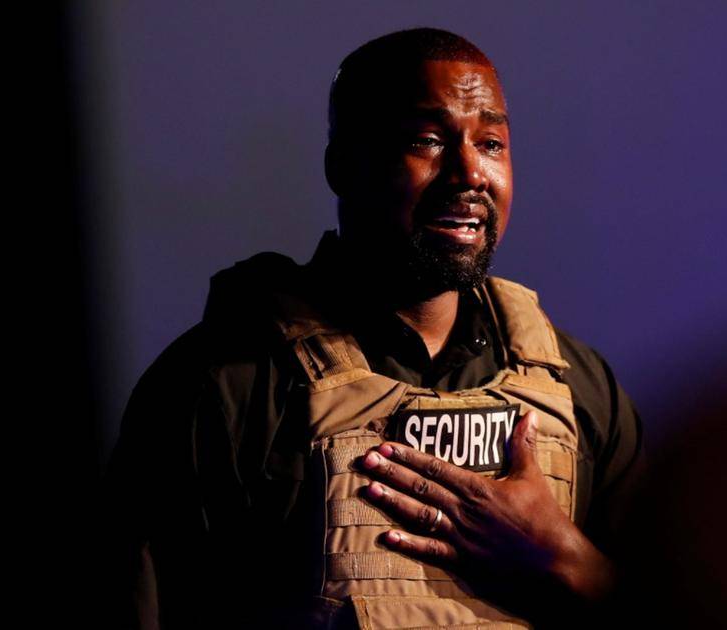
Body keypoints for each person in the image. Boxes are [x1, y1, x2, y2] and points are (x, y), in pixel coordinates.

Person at [100, 27, 645, 629]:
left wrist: (567, 562)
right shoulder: (225, 389)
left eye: (491, 143)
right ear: (342, 166)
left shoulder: (581, 390)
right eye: (427, 140)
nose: (470, 173)